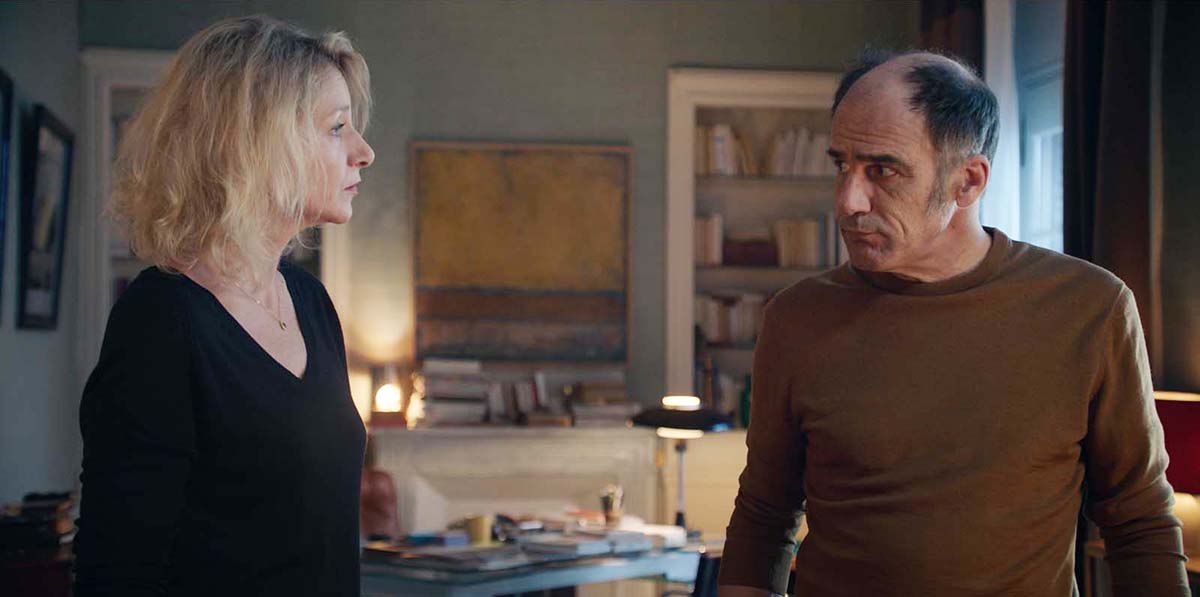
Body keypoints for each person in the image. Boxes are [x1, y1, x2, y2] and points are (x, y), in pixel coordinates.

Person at [717, 50, 1188, 596]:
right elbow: (764, 515)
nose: (848, 201)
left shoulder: (1090, 307)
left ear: (968, 181)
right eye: (841, 164)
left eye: (882, 170)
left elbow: (1139, 520)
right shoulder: (797, 317)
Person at [73, 15, 375, 596]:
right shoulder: (162, 319)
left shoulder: (310, 302)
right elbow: (118, 567)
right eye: (337, 128)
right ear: (256, 143)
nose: (363, 152)